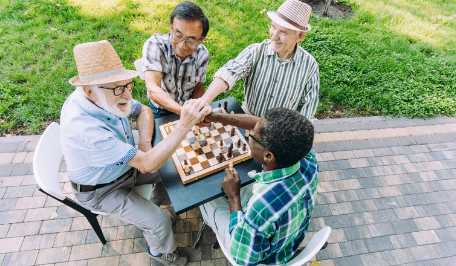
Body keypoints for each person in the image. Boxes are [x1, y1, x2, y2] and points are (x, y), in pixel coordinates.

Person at [61, 40, 210, 266]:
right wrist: (184, 125)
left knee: (180, 165)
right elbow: (148, 165)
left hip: (128, 168)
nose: (128, 96)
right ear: (89, 91)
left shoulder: (107, 97)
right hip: (100, 190)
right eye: (119, 89)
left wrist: (144, 149)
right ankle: (161, 253)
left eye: (128, 85)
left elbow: (144, 111)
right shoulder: (87, 129)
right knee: (159, 221)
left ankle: (153, 201)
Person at [199, 107, 318, 265]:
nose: (248, 134)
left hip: (260, 258)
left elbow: (242, 259)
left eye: (252, 134)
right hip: (290, 240)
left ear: (268, 156)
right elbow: (261, 126)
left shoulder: (260, 208)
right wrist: (218, 117)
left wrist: (233, 196)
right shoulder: (308, 157)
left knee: (207, 199)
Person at [201, 0, 319, 122]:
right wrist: (204, 100)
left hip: (280, 129)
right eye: (273, 27)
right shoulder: (255, 51)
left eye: (283, 32)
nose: (273, 36)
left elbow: (308, 108)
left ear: (299, 36)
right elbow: (229, 72)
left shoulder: (309, 65)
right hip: (248, 119)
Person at [142, 1, 210, 118]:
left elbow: (199, 87)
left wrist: (195, 108)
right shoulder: (154, 45)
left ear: (201, 39)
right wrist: (184, 112)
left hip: (187, 108)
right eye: (178, 35)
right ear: (170, 26)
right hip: (160, 110)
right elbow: (153, 88)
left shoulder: (202, 55)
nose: (182, 46)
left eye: (191, 39)